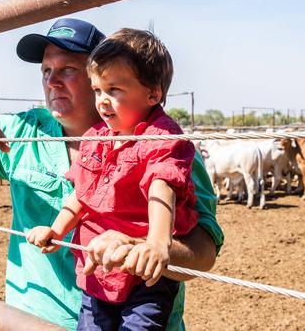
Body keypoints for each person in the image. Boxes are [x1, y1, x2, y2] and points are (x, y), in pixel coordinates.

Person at [0, 18, 224, 330]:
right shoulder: (23, 131)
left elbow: (204, 251)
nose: (51, 81)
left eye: (68, 69)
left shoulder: (163, 143)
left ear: (101, 70)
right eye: (46, 70)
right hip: (34, 320)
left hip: (140, 313)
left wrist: (141, 246)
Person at [27, 28, 197, 330]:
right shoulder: (96, 138)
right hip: (97, 268)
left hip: (142, 271)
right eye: (97, 90)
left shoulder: (162, 136)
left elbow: (162, 185)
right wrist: (56, 229)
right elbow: (82, 193)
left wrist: (157, 245)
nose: (102, 101)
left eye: (114, 90)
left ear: (153, 93)